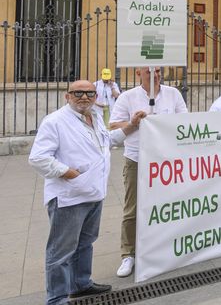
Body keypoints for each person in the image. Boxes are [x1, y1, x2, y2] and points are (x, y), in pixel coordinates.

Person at [29, 80, 146, 304]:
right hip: (69, 197)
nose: (84, 97)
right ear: (67, 96)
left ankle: (81, 284)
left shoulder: (95, 117)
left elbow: (107, 141)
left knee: (85, 243)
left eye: (89, 93)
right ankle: (57, 298)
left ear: (95, 96)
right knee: (61, 251)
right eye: (78, 93)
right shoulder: (55, 121)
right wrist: (66, 172)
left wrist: (131, 126)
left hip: (93, 193)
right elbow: (38, 158)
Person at [109, 67, 188, 278]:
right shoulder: (127, 97)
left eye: (158, 71)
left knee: (168, 204)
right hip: (137, 158)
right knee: (132, 208)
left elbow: (185, 121)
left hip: (167, 160)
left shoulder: (173, 94)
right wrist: (134, 123)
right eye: (149, 71)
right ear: (138, 73)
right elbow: (113, 125)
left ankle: (162, 246)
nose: (155, 75)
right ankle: (128, 254)